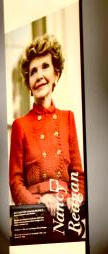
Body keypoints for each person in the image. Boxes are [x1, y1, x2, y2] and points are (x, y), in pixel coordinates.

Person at [8, 34, 85, 219]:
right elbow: (15, 182)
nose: (39, 75)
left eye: (45, 67)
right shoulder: (21, 125)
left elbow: (78, 175)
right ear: (29, 84)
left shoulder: (68, 118)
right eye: (33, 71)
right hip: (35, 214)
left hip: (66, 213)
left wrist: (75, 199)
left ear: (56, 75)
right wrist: (37, 203)